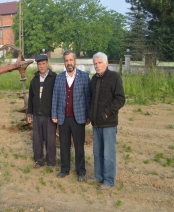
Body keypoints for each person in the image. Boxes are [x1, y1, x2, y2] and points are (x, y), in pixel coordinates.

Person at [51, 50, 91, 181]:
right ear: (64, 62)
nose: (69, 63)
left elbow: (88, 97)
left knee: (79, 146)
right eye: (66, 60)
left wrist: (88, 116)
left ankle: (81, 171)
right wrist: (54, 114)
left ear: (75, 61)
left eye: (71, 60)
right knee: (64, 145)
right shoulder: (59, 77)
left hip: (78, 117)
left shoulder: (84, 77)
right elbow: (55, 97)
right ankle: (64, 168)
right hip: (63, 118)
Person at [89, 52, 125, 190]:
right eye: (95, 63)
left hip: (108, 123)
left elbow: (120, 99)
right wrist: (90, 115)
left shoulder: (114, 77)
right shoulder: (94, 79)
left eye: (100, 63)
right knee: (97, 152)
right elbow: (91, 99)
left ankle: (109, 180)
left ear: (106, 63)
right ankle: (98, 176)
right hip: (96, 123)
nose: (97, 66)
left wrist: (106, 113)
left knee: (108, 154)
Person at [27, 54, 57, 169]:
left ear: (47, 64)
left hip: (49, 115)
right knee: (37, 139)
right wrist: (29, 113)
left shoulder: (54, 77)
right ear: (37, 65)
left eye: (43, 63)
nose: (42, 66)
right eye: (39, 64)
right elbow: (31, 97)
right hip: (36, 114)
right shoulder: (34, 79)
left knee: (50, 140)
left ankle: (51, 162)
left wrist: (56, 114)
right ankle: (39, 160)